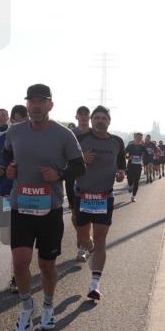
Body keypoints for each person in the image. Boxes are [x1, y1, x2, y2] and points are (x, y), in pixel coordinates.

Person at [0, 84, 85, 331]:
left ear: (50, 105)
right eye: (31, 101)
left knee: (46, 265)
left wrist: (59, 174)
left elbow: (79, 167)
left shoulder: (64, 135)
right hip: (21, 206)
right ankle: (26, 306)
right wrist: (9, 168)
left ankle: (47, 305)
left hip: (50, 209)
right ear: (27, 105)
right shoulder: (15, 132)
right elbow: (5, 156)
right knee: (20, 261)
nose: (35, 105)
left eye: (40, 101)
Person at [72, 106, 125, 301]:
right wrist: (81, 159)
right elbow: (66, 164)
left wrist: (121, 174)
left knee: (101, 238)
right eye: (97, 118)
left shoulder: (117, 142)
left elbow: (121, 166)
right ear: (91, 120)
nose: (100, 121)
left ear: (109, 121)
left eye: (104, 118)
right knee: (83, 239)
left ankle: (95, 283)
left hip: (104, 197)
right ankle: (91, 250)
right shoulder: (80, 140)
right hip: (83, 196)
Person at [0, 105, 28, 292]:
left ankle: (17, 276)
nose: (19, 124)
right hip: (5, 194)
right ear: (11, 121)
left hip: (29, 195)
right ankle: (20, 270)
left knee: (23, 237)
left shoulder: (36, 140)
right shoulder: (2, 139)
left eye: (23, 121)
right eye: (16, 121)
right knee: (7, 237)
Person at [65, 106, 96, 263]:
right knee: (75, 218)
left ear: (89, 117)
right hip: (73, 181)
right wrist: (81, 157)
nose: (83, 117)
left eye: (86, 114)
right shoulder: (71, 135)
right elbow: (63, 157)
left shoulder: (95, 134)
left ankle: (82, 249)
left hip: (90, 182)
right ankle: (87, 240)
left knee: (85, 217)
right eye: (81, 114)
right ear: (76, 117)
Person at [124, 132, 145, 202]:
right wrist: (128, 157)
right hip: (130, 165)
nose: (139, 139)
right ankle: (130, 185)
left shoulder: (142, 146)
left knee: (136, 182)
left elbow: (147, 153)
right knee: (130, 178)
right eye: (137, 138)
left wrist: (144, 147)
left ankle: (133, 196)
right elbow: (124, 153)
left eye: (140, 138)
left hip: (138, 166)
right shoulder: (130, 145)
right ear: (134, 138)